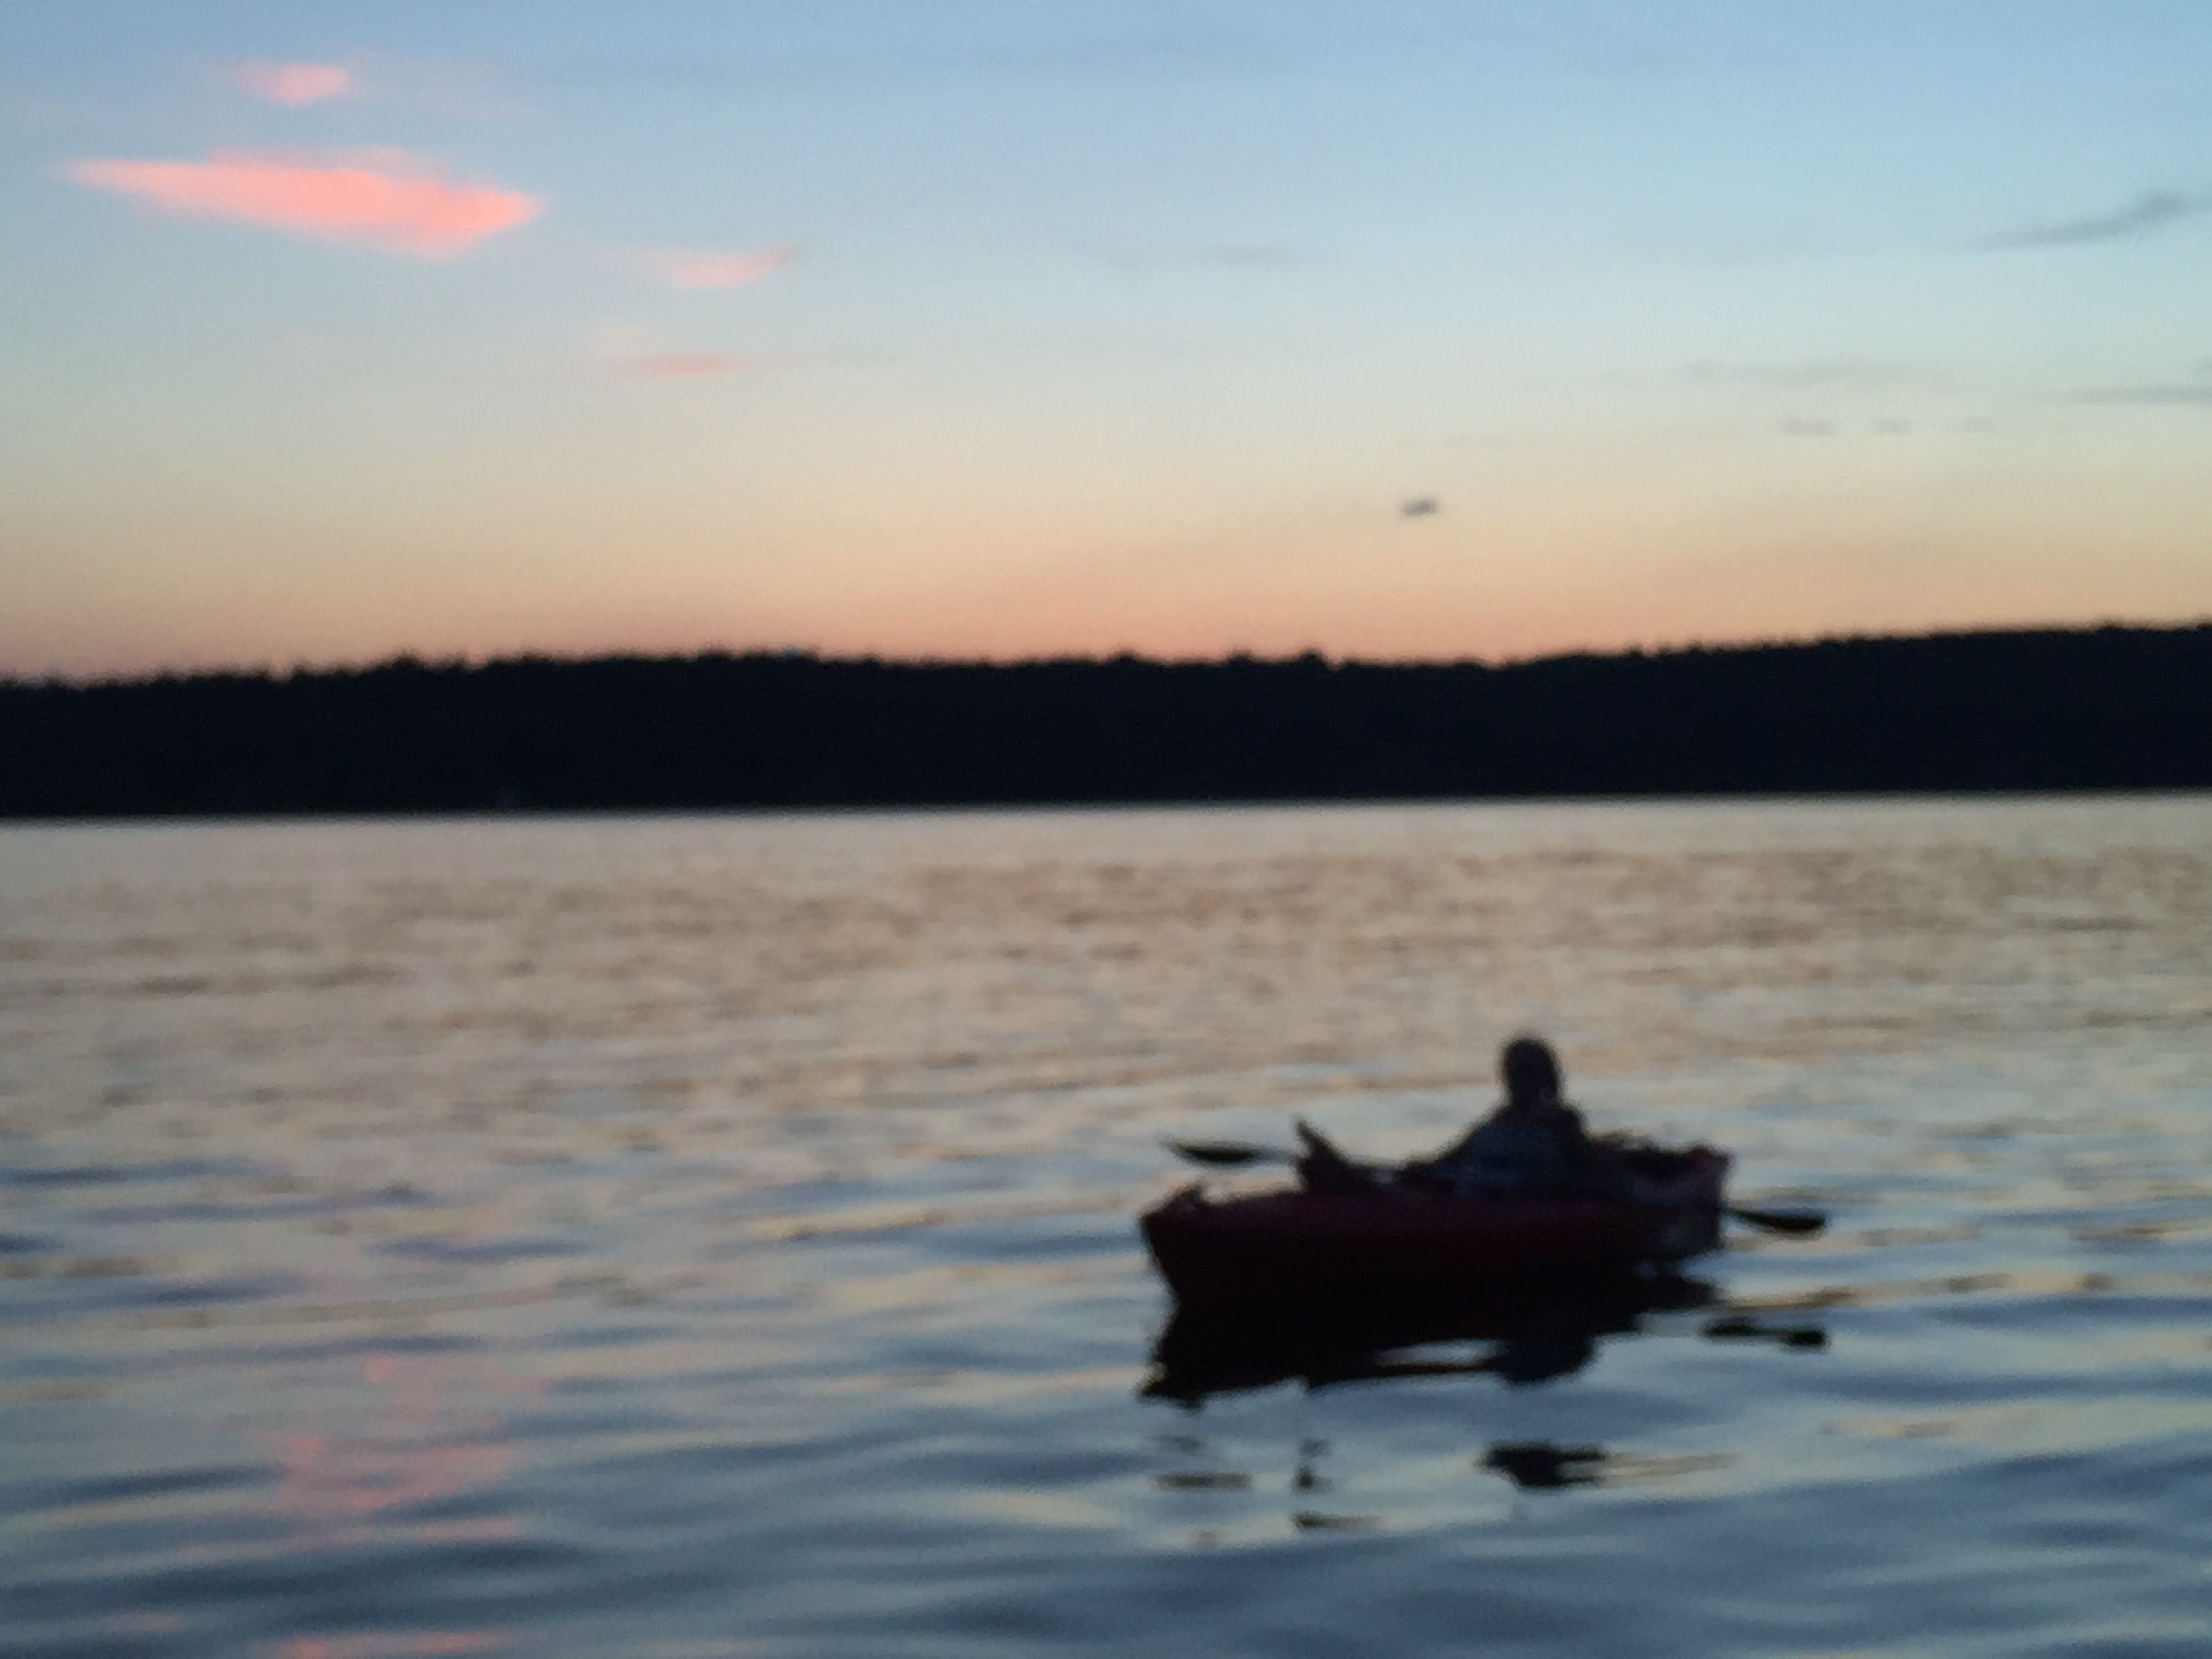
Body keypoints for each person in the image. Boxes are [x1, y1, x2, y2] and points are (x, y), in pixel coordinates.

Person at [1403, 1036, 1635, 1201]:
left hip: (1528, 1207)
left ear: (1544, 1076)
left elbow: (1589, 1167)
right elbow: (1449, 1160)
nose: (1516, 1078)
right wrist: (1420, 1170)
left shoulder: (1560, 1122)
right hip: (1476, 1204)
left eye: (1524, 1072)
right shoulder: (1495, 1123)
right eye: (1513, 1071)